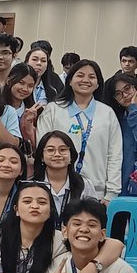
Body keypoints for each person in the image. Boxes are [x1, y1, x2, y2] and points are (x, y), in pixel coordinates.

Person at [37, 60, 123, 202]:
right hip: (55, 190)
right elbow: (42, 148)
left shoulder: (107, 113)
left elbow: (114, 155)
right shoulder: (53, 110)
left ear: (98, 84)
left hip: (96, 192)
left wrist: (112, 193)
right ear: (70, 81)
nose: (85, 80)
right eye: (80, 75)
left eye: (92, 77)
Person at [32, 131, 98, 223]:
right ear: (42, 157)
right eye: (50, 150)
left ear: (71, 155)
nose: (57, 154)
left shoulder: (84, 184)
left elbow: (95, 217)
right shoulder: (32, 185)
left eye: (63, 150)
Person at [0, 144, 25, 227]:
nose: (6, 165)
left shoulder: (25, 196)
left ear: (21, 170)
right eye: (0, 160)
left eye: (13, 162)